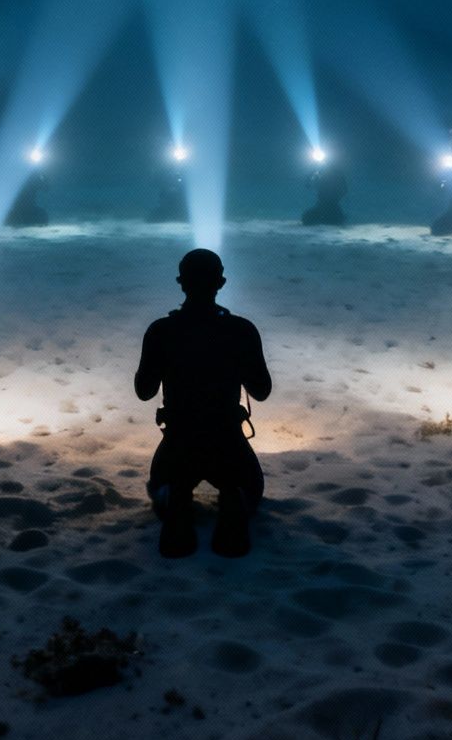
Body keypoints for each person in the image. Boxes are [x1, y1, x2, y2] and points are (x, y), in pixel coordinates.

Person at [135, 249, 273, 559]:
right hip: (227, 439)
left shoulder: (161, 331)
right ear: (221, 282)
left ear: (180, 282)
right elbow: (262, 390)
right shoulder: (241, 330)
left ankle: (178, 497)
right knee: (250, 490)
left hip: (179, 439)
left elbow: (143, 391)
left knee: (164, 489)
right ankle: (231, 497)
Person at [303, 159, 347, 226]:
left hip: (332, 204)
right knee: (308, 218)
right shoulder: (320, 174)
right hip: (324, 203)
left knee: (335, 218)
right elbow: (309, 184)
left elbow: (344, 190)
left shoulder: (337, 175)